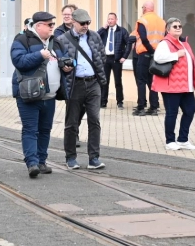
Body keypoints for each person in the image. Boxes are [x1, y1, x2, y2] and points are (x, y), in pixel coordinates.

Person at [55, 9, 106, 170]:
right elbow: (57, 60)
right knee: (72, 123)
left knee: (94, 120)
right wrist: (64, 67)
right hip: (74, 84)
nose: (85, 26)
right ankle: (70, 158)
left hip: (93, 83)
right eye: (82, 23)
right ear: (73, 23)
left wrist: (98, 77)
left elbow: (101, 56)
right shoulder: (62, 39)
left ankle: (94, 158)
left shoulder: (95, 36)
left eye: (88, 23)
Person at [11, 11, 60, 178]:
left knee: (45, 129)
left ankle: (41, 161)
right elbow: (19, 61)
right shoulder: (22, 39)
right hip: (29, 93)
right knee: (31, 129)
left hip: (50, 95)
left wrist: (66, 65)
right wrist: (39, 55)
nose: (52, 28)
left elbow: (62, 58)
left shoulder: (54, 41)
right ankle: (32, 163)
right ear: (39, 26)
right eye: (49, 25)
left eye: (53, 24)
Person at [153, 18, 195, 150]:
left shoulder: (184, 43)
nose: (178, 28)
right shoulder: (165, 43)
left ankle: (183, 139)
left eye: (179, 26)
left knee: (190, 109)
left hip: (186, 85)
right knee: (172, 112)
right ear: (168, 30)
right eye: (175, 26)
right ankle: (170, 141)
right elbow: (158, 57)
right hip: (171, 86)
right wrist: (176, 55)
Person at [132, 2, 165, 116]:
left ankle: (141, 107)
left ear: (145, 8)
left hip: (145, 54)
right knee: (152, 82)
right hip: (156, 55)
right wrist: (155, 52)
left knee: (141, 81)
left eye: (142, 8)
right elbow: (164, 38)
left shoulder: (143, 20)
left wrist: (150, 50)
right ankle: (154, 108)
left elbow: (143, 38)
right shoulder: (161, 21)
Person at [99, 12, 131, 110]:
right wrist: (102, 28)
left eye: (112, 19)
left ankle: (120, 102)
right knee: (104, 81)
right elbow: (95, 37)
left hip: (116, 59)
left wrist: (124, 56)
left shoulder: (122, 31)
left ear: (116, 20)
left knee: (118, 81)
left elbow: (129, 44)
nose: (110, 21)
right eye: (108, 19)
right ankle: (103, 102)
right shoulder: (104, 31)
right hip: (105, 59)